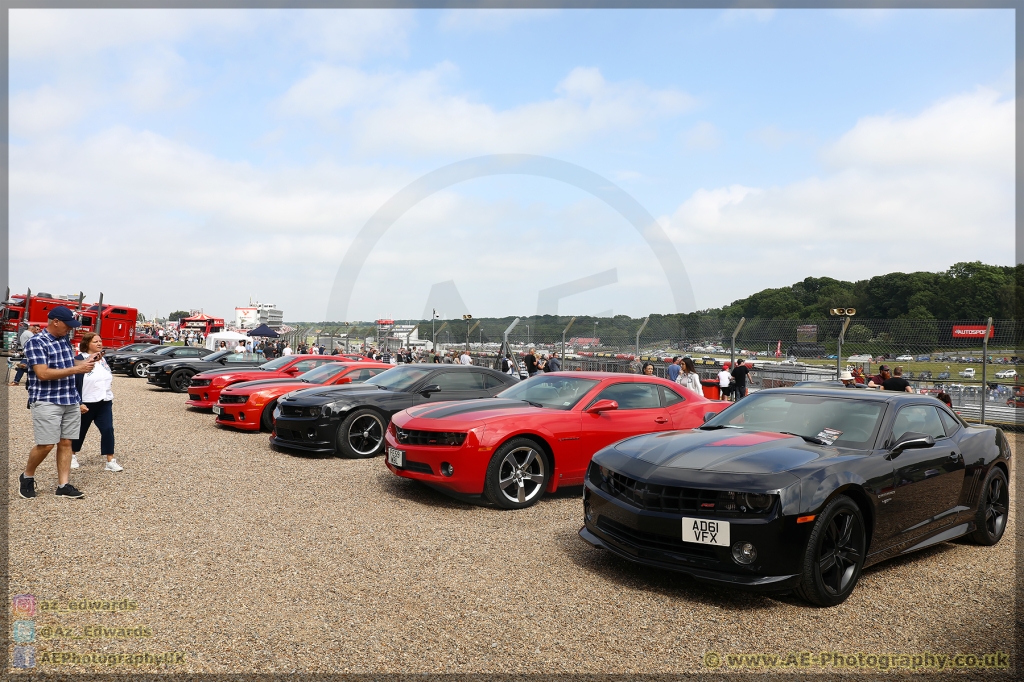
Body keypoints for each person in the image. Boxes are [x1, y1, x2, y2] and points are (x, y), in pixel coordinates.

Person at [19, 306, 95, 500]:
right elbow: (43, 373)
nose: (70, 329)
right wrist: (76, 371)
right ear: (55, 322)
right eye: (68, 325)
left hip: (69, 398)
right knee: (45, 444)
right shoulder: (37, 342)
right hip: (47, 399)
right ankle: (27, 476)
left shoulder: (64, 341)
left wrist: (87, 362)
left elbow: (67, 364)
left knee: (66, 442)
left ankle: (63, 485)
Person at [70, 333, 123, 472]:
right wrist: (78, 402)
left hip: (104, 401)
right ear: (87, 344)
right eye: (96, 341)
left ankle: (110, 460)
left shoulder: (103, 360)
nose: (100, 343)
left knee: (108, 429)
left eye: (101, 340)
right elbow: (73, 384)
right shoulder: (78, 360)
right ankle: (72, 455)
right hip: (86, 402)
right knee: (80, 431)